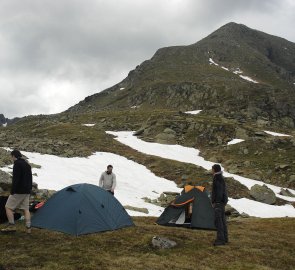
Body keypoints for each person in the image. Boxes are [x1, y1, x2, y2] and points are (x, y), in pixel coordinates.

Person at [1, 150, 32, 233]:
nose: (11, 158)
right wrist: (30, 189)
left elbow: (16, 179)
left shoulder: (17, 164)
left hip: (19, 191)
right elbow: (30, 179)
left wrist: (12, 190)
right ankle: (28, 228)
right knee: (26, 209)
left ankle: (11, 226)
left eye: (11, 156)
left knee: (8, 207)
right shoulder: (27, 164)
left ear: (14, 156)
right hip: (27, 191)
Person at [211, 164, 228, 246]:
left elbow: (219, 191)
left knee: (219, 222)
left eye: (212, 169)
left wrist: (216, 202)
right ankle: (225, 238)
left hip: (218, 203)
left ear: (214, 170)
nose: (211, 171)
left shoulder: (217, 178)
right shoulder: (220, 177)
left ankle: (220, 240)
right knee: (222, 221)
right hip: (221, 203)